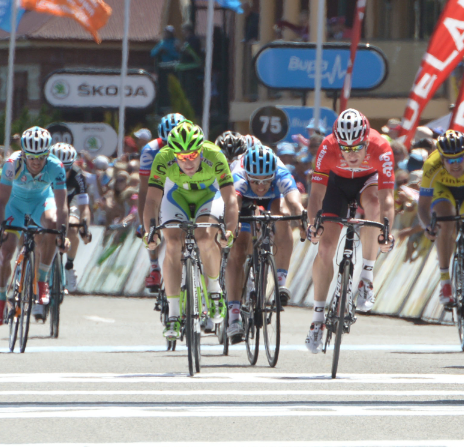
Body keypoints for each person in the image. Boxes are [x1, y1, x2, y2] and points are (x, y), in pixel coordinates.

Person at [305, 108, 396, 353]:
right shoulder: (327, 147)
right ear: (338, 143)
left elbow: (388, 198)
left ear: (367, 140)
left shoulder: (381, 147)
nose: (351, 154)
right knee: (325, 247)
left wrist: (386, 232)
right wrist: (313, 224)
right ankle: (317, 320)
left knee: (374, 205)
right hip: (337, 185)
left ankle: (366, 276)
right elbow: (316, 195)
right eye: (345, 149)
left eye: (357, 148)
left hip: (368, 182)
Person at [142, 122, 238, 340]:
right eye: (182, 157)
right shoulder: (163, 158)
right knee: (173, 244)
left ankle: (214, 290)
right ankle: (174, 315)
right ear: (173, 153)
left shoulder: (215, 155)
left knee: (205, 238)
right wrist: (150, 231)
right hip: (177, 198)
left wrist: (229, 230)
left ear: (201, 150)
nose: (188, 162)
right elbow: (152, 200)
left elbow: (230, 198)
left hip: (208, 197)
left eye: (193, 155)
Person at [0, 127, 68, 325]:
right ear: (24, 153)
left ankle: (42, 280)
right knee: (6, 251)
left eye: (41, 157)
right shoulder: (11, 165)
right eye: (32, 157)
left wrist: (62, 233)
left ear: (47, 154)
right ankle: (0, 299)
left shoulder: (56, 166)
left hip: (41, 202)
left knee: (51, 224)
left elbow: (61, 204)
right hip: (13, 204)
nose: (36, 162)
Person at [226, 145, 305, 342]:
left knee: (284, 219)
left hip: (273, 200)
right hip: (243, 201)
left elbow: (295, 202)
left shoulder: (281, 173)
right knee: (238, 248)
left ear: (273, 174)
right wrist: (231, 228)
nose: (261, 186)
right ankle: (234, 316)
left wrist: (304, 219)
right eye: (256, 181)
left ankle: (280, 282)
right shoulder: (239, 175)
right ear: (248, 175)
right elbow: (232, 206)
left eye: (266, 180)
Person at [417, 130, 464, 325]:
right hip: (444, 191)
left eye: (460, 158)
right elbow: (423, 207)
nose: (456, 164)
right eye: (450, 160)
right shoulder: (431, 166)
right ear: (441, 159)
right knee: (444, 221)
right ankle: (445, 282)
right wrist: (427, 227)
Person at [138, 113, 187, 291]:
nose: (171, 148)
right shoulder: (149, 151)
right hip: (159, 187)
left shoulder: (194, 147)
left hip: (184, 188)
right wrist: (144, 223)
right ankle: (154, 268)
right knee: (151, 226)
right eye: (167, 143)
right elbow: (144, 191)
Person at [51, 143, 92, 292]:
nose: (62, 172)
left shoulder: (77, 174)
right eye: (59, 168)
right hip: (50, 200)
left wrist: (85, 227)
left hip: (70, 201)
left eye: (66, 168)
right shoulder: (45, 171)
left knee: (72, 227)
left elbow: (84, 206)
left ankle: (69, 266)